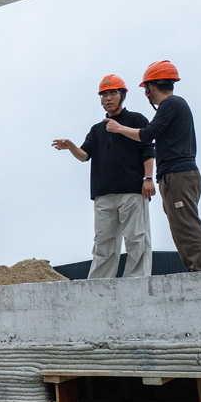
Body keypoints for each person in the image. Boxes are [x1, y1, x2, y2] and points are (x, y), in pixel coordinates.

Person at [104, 60, 201, 271]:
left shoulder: (171, 104)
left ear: (150, 87)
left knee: (186, 224)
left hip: (178, 174)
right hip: (175, 175)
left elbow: (147, 134)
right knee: (179, 225)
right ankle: (195, 270)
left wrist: (119, 128)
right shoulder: (173, 105)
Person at [52, 75, 155, 278]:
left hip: (132, 190)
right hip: (103, 194)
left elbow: (147, 150)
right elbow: (84, 156)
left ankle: (137, 281)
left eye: (113, 93)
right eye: (104, 94)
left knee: (136, 238)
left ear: (122, 95)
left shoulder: (136, 120)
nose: (108, 98)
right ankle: (99, 285)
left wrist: (148, 178)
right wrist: (71, 146)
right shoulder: (97, 129)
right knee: (103, 242)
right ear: (100, 99)